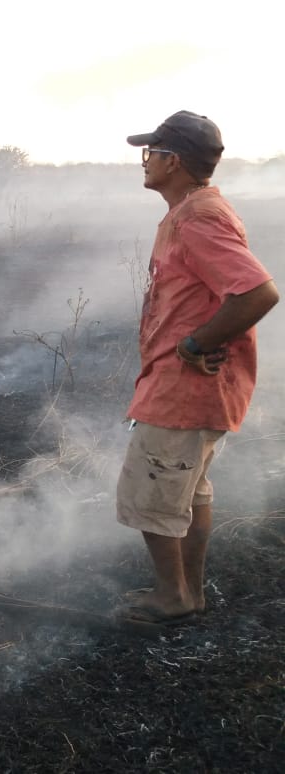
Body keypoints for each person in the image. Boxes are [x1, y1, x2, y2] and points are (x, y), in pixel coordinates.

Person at [115, 110, 279, 624]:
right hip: (191, 388)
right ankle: (190, 592)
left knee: (154, 494)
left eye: (152, 153)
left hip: (185, 389)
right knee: (188, 490)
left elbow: (257, 291)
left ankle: (174, 596)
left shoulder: (197, 217)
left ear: (175, 161)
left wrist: (194, 343)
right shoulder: (191, 209)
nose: (145, 162)